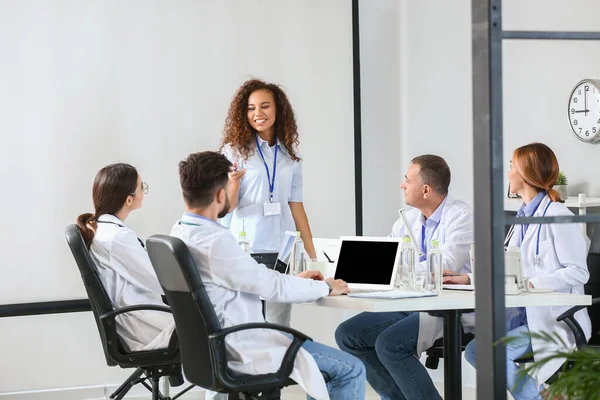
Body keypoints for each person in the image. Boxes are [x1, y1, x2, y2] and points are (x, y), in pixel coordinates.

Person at [170, 151, 366, 400]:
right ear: (221, 194)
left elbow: (253, 278)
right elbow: (271, 287)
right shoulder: (214, 241)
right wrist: (325, 287)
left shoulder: (178, 233)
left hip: (208, 347)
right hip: (241, 347)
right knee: (351, 369)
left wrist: (298, 281)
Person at [334, 154, 474, 400]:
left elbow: (444, 266)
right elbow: (386, 258)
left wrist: (398, 270)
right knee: (348, 334)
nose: (402, 185)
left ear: (426, 189)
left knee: (389, 344)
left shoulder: (461, 217)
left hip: (449, 309)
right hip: (411, 303)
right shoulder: (408, 219)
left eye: (407, 180)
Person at [464, 142, 591, 400]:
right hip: (521, 318)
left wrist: (533, 283)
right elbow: (507, 268)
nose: (508, 173)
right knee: (475, 350)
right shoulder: (520, 219)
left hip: (552, 322)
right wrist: (468, 277)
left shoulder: (558, 216)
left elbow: (578, 272)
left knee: (492, 354)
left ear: (525, 173)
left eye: (511, 166)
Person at [220, 78, 317, 327]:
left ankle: (277, 366)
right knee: (246, 326)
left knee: (278, 326)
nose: (258, 113)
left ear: (278, 110)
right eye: (251, 108)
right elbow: (225, 208)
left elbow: (296, 205)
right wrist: (233, 182)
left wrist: (311, 253)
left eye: (264, 106)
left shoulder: (290, 157)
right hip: (245, 249)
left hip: (281, 251)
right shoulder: (235, 152)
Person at [76, 163, 175, 351]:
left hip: (135, 318)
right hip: (141, 324)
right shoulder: (116, 237)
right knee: (217, 326)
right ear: (129, 200)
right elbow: (159, 281)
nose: (143, 191)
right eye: (141, 187)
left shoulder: (104, 230)